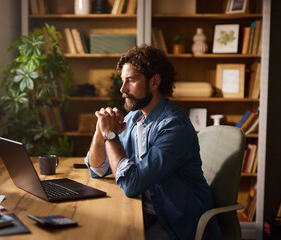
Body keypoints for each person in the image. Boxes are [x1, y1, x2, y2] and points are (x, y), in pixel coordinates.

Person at [84, 44, 221, 240]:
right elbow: (97, 170)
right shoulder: (133, 118)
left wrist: (111, 136)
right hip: (145, 211)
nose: (123, 89)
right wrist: (101, 131)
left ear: (154, 81)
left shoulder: (174, 126)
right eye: (123, 81)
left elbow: (131, 184)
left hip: (176, 222)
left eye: (130, 81)